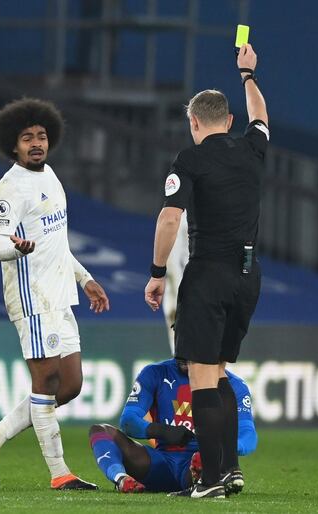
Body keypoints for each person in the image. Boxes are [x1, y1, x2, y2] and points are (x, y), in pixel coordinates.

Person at [143, 43, 268, 499]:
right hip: (248, 277)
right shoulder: (253, 149)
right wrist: (248, 75)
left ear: (194, 123)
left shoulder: (190, 158)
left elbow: (170, 218)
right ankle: (230, 471)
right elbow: (262, 118)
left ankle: (211, 479)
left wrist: (158, 272)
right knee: (218, 373)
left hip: (209, 273)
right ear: (229, 121)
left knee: (200, 374)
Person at [0, 98, 110, 490]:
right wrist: (18, 247)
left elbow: (57, 243)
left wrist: (85, 279)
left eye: (42, 136)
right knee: (46, 382)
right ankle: (59, 473)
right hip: (31, 298)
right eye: (27, 137)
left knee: (71, 385)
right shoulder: (8, 188)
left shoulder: (51, 178)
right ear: (12, 145)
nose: (36, 143)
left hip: (61, 294)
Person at [88, 358, 257, 494]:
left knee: (202, 459)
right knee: (100, 430)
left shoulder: (233, 386)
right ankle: (122, 479)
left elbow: (249, 436)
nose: (184, 351)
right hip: (161, 463)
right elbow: (128, 421)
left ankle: (202, 477)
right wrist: (162, 431)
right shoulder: (155, 372)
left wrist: (218, 450)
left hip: (204, 463)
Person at [164, 215, 189, 354]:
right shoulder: (180, 216)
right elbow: (172, 261)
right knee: (182, 356)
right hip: (180, 294)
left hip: (202, 293)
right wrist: (182, 297)